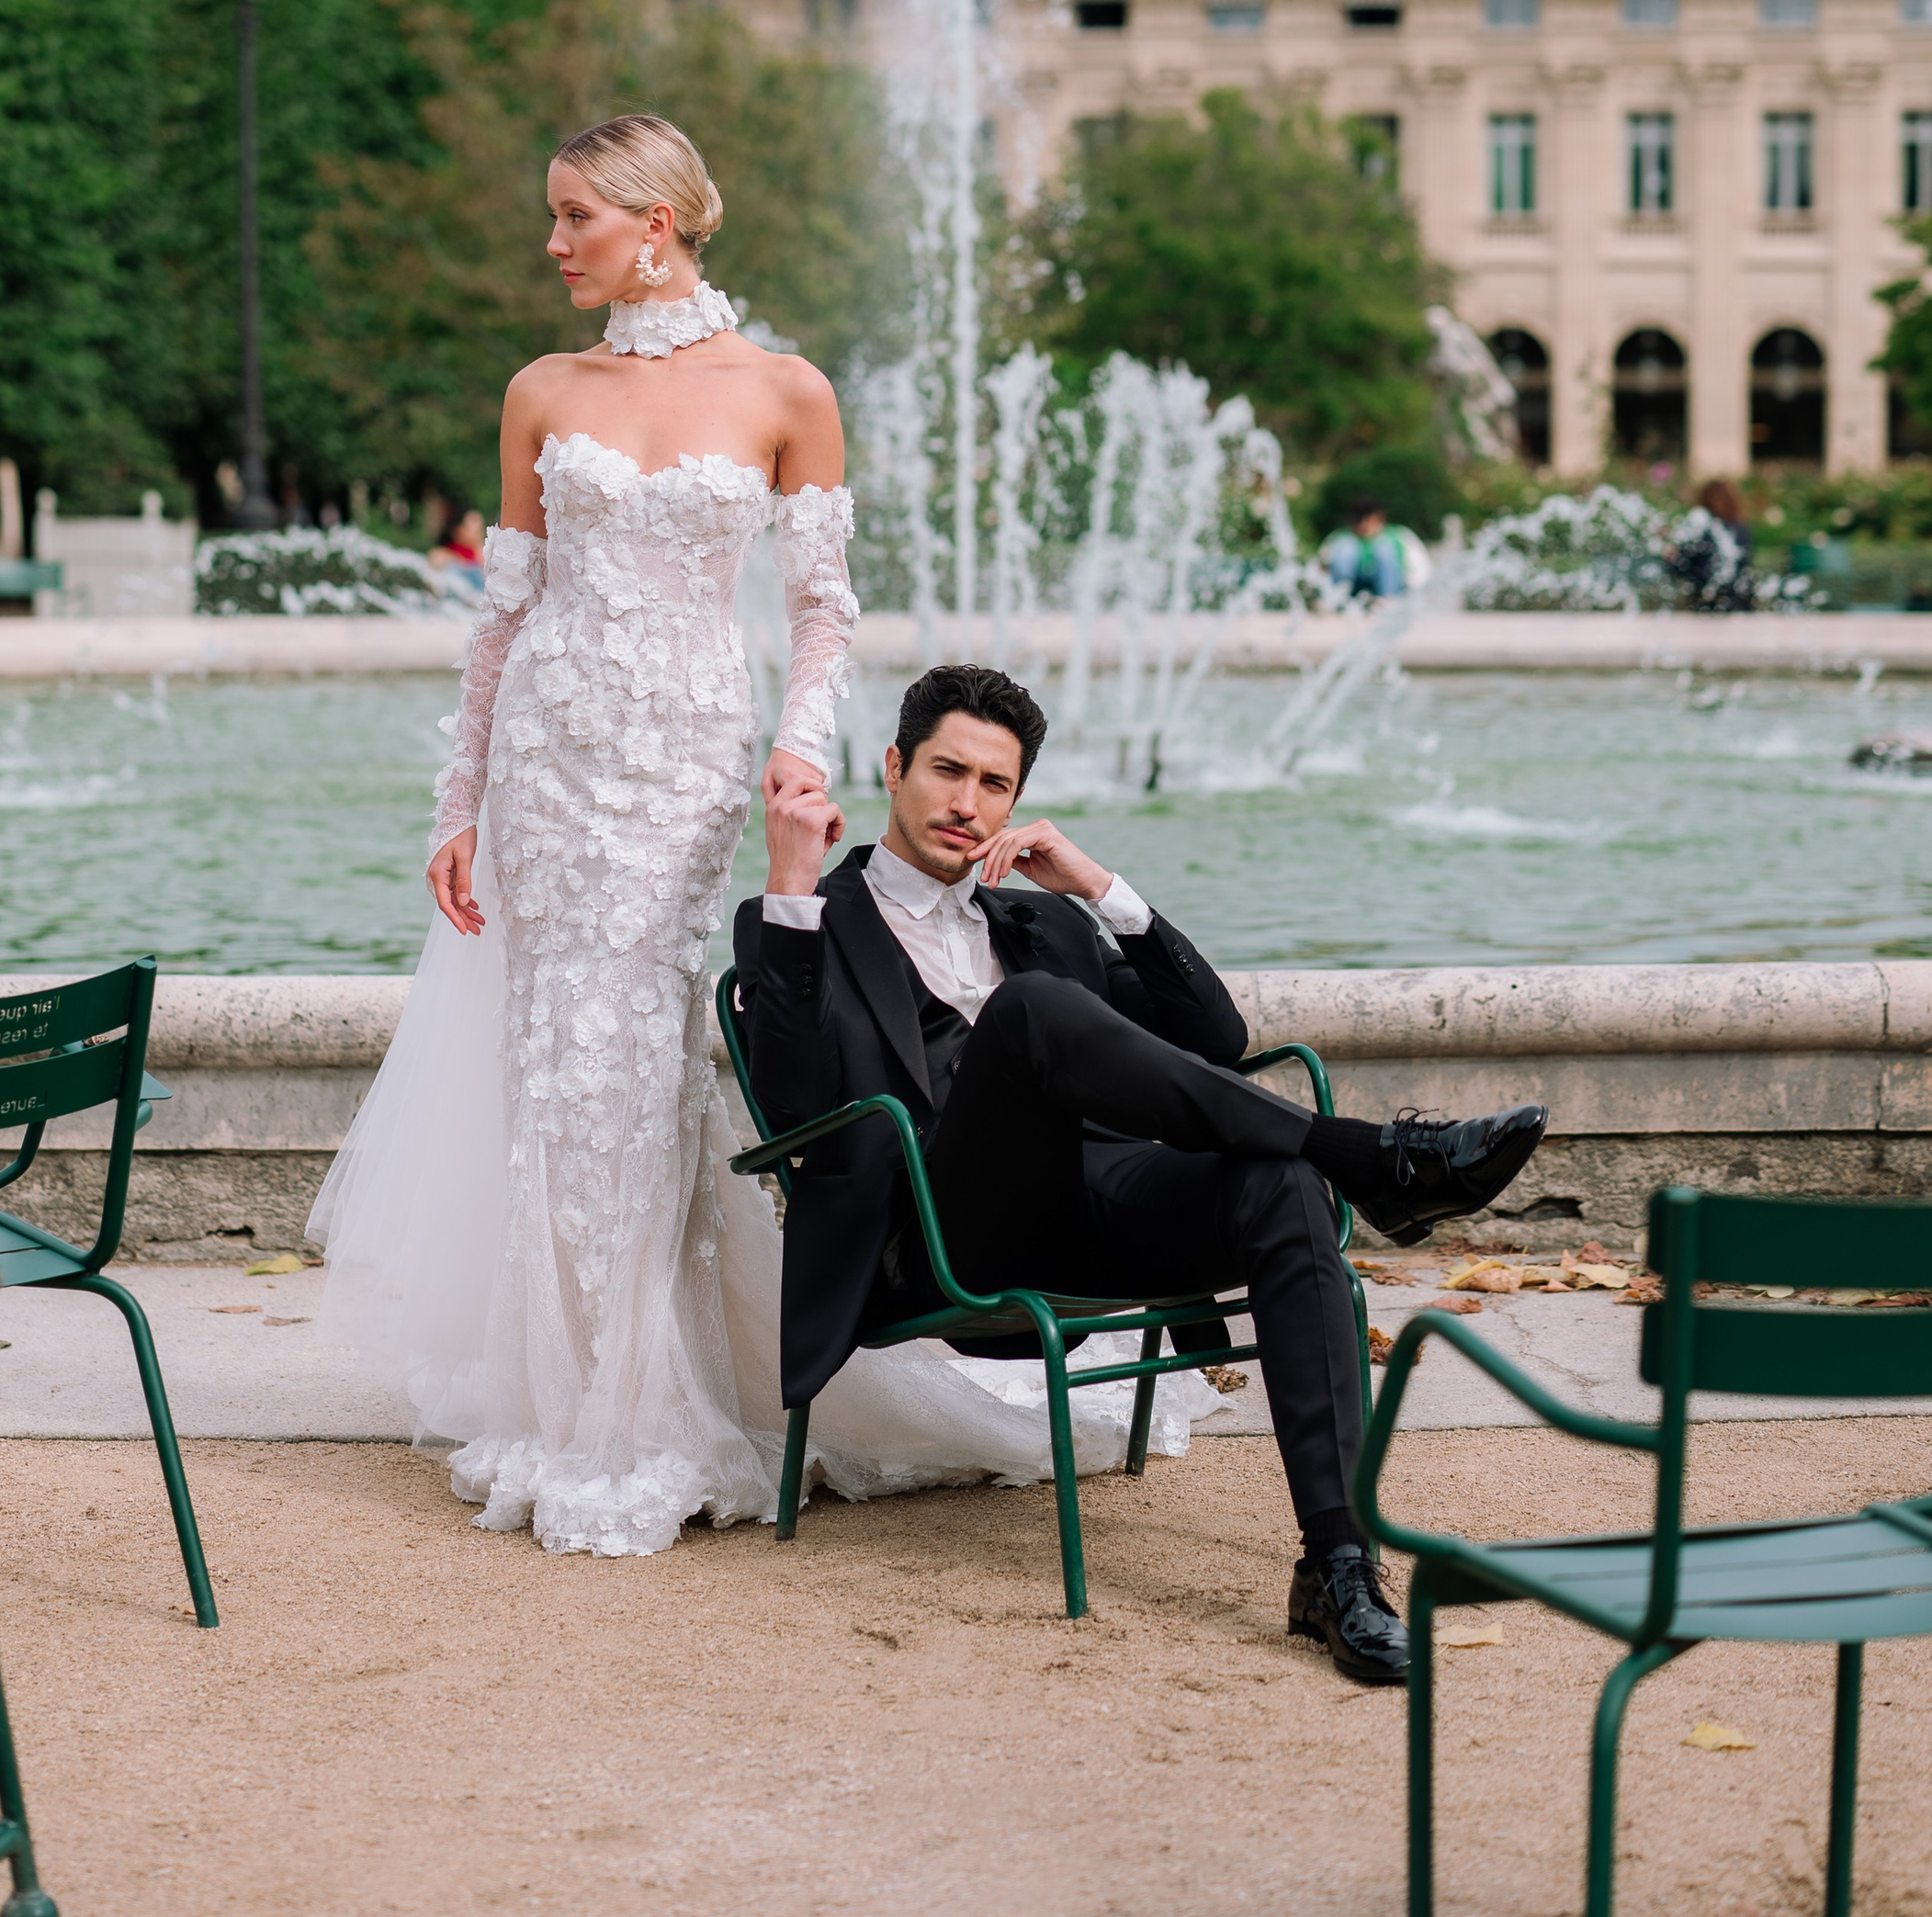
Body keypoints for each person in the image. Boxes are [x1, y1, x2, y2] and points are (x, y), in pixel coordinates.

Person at [311, 115, 1207, 1558]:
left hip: (680, 760)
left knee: (642, 1052)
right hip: (549, 753)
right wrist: (457, 805)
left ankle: (653, 1394)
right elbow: (503, 614)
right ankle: (577, 1393)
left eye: (574, 216)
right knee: (558, 1065)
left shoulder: (787, 391)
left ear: (656, 222)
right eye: (552, 216)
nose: (552, 242)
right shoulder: (541, 389)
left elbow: (822, 607)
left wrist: (801, 742)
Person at [736, 663, 1550, 1685]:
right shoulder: (809, 917)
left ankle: (1338, 1566)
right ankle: (1372, 1161)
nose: (965, 801)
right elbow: (799, 1101)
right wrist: (789, 885)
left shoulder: (1044, 924)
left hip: (1097, 1207)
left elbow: (1216, 1036)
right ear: (894, 765)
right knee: (1029, 1014)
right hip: (945, 1235)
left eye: (994, 784)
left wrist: (1098, 888)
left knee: (1282, 1187)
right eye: (946, 769)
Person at [1667, 478, 1755, 612]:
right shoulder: (1739, 529)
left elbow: (1680, 568)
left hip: (1705, 601)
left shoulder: (1700, 526)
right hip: (1739, 600)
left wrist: (1671, 556)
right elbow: (1744, 564)